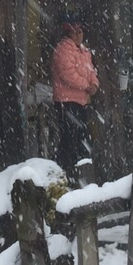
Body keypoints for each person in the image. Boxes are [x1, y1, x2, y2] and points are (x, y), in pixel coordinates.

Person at [51, 14, 100, 172]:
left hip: (82, 101)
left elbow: (91, 70)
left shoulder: (84, 51)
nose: (79, 35)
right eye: (75, 32)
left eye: (80, 31)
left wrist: (94, 83)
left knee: (81, 137)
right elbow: (68, 74)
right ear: (68, 34)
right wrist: (87, 86)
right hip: (67, 101)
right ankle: (66, 170)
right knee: (69, 139)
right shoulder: (63, 50)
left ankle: (79, 170)